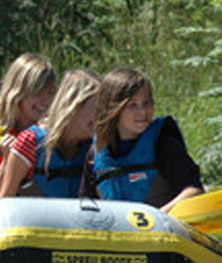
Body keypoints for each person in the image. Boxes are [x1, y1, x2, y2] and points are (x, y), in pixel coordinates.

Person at [85, 66, 203, 212]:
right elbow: (86, 206)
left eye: (146, 103)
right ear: (112, 109)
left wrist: (158, 217)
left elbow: (194, 190)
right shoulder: (95, 154)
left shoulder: (164, 144)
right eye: (132, 105)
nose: (142, 112)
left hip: (161, 230)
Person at [0, 68, 101, 199]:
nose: (102, 117)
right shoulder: (30, 142)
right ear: (74, 105)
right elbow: (5, 200)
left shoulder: (96, 147)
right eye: (96, 108)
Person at [0, 53, 57, 201]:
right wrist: (7, 162)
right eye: (37, 92)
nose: (45, 101)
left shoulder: (57, 135)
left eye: (50, 93)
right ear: (17, 94)